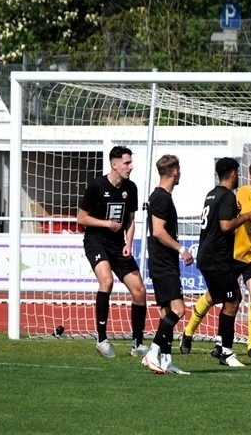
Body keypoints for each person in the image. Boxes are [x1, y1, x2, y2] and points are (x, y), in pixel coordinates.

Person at [180, 160, 251, 359]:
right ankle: (189, 331)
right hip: (234, 255)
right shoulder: (242, 193)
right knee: (215, 297)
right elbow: (245, 211)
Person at [185, 157, 251, 367]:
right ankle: (226, 352)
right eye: (237, 173)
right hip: (217, 259)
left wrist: (235, 212)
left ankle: (218, 345)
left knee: (224, 299)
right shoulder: (227, 195)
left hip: (207, 256)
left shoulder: (212, 194)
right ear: (233, 174)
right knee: (233, 300)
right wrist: (246, 216)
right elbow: (225, 226)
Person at [77, 146, 148, 358]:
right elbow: (81, 218)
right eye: (127, 163)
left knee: (139, 290)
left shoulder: (131, 188)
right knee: (106, 281)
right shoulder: (97, 186)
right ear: (114, 164)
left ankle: (137, 344)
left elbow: (131, 220)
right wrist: (107, 224)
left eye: (131, 162)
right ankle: (102, 340)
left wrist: (129, 243)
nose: (130, 167)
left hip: (118, 245)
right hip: (96, 241)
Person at [141, 155, 194, 375]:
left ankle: (166, 361)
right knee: (179, 310)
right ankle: (152, 353)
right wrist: (182, 250)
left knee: (166, 314)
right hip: (163, 262)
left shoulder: (161, 196)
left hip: (161, 261)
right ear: (175, 172)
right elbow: (158, 231)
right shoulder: (161, 198)